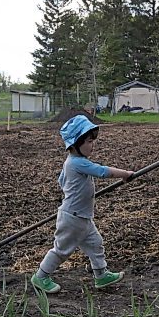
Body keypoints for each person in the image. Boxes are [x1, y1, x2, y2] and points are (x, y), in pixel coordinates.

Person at [31, 115, 134, 294]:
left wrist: (79, 193)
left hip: (83, 217)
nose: (92, 145)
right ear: (75, 143)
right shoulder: (77, 162)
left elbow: (61, 181)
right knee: (61, 251)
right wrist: (125, 173)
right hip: (73, 218)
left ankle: (101, 276)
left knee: (96, 244)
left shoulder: (70, 164)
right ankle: (40, 277)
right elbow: (102, 172)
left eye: (93, 141)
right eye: (88, 141)